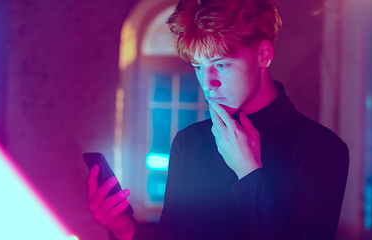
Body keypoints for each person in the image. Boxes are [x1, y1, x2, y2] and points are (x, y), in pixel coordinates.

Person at [87, 0, 349, 239]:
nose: (208, 83)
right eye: (199, 67)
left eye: (222, 64)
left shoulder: (323, 150)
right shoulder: (189, 142)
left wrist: (249, 172)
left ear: (264, 55)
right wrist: (124, 229)